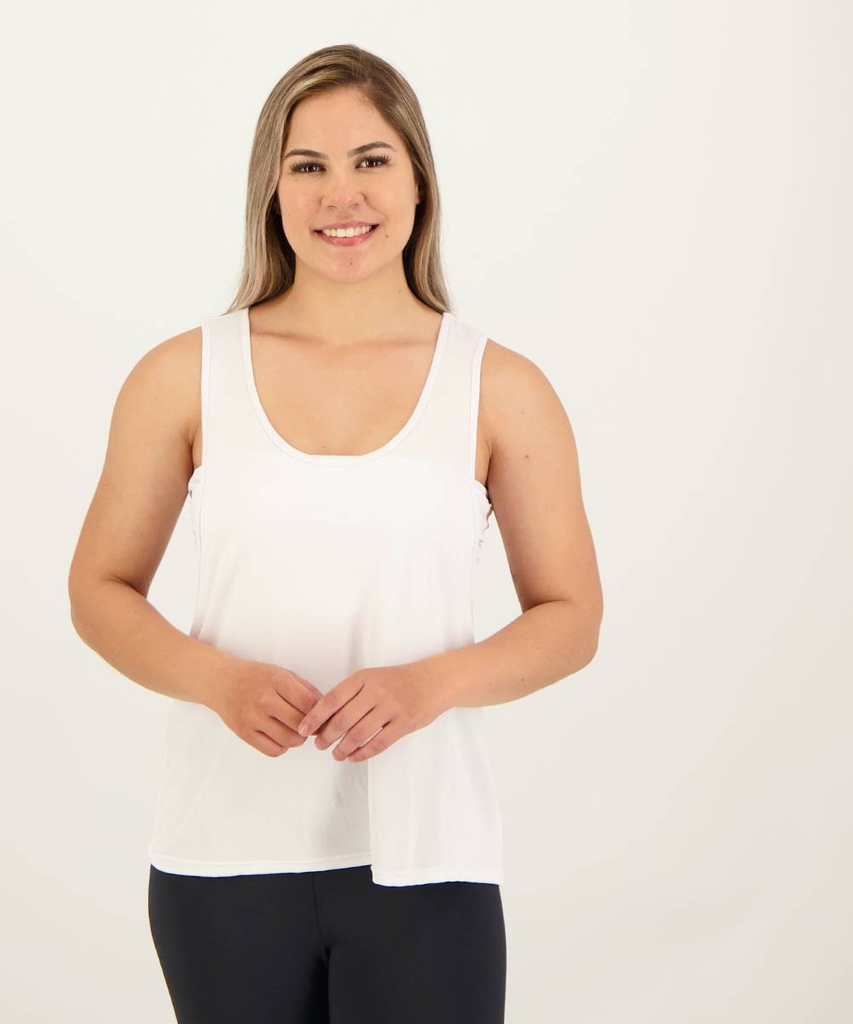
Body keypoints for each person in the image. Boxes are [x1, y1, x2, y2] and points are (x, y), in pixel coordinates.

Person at [68, 43, 602, 1024]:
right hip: (222, 856)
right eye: (307, 165)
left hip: (428, 858)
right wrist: (216, 680)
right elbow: (99, 589)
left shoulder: (500, 386)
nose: (339, 194)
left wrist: (428, 684)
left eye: (371, 160)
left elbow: (570, 617)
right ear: (271, 189)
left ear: (418, 180)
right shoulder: (182, 375)